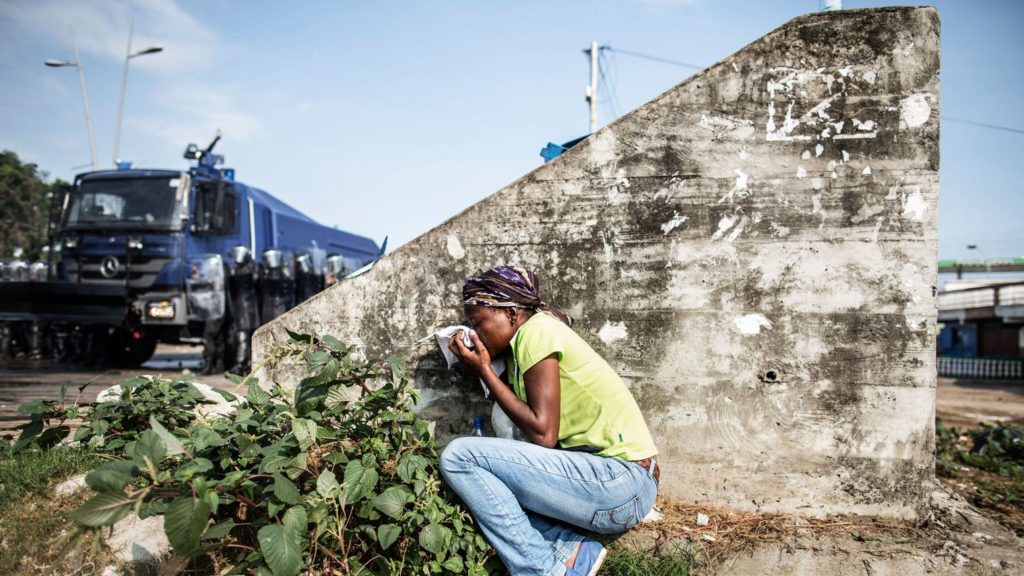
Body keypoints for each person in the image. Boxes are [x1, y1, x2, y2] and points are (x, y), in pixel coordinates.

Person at [441, 266, 659, 576]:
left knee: (459, 457)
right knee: (489, 482)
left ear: (513, 313)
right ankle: (571, 551)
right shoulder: (522, 347)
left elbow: (543, 433)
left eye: (478, 323)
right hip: (612, 485)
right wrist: (490, 369)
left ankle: (541, 570)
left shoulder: (537, 331)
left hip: (621, 481)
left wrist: (484, 371)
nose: (475, 331)